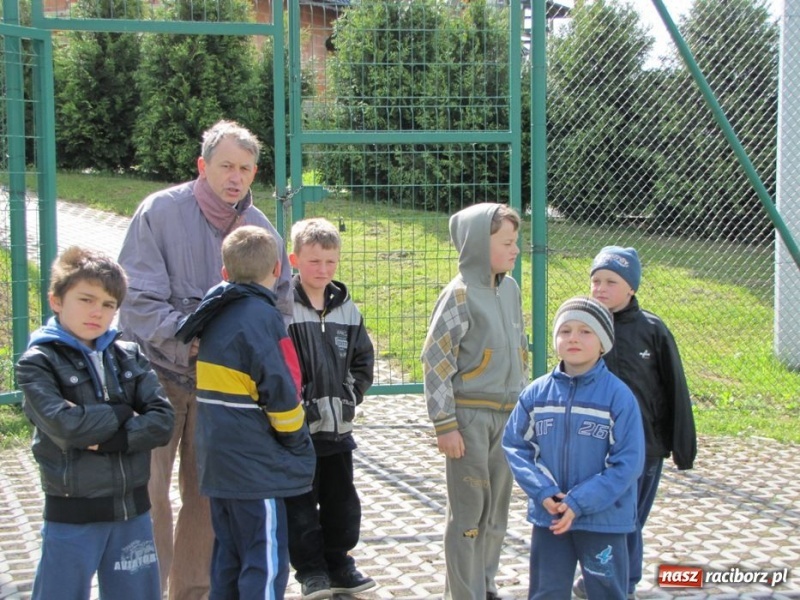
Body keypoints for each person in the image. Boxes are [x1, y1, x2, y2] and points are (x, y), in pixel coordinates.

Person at [117, 119, 293, 600]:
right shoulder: (159, 212)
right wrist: (195, 341)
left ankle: (192, 593)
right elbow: (137, 300)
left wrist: (241, 354)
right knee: (148, 495)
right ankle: (143, 590)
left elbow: (281, 302)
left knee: (206, 499)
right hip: (154, 377)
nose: (236, 177)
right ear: (202, 165)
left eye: (246, 168)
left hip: (223, 389)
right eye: (226, 166)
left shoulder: (261, 230)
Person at [14, 246, 175, 600]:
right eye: (86, 299)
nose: (97, 312)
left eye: (108, 305)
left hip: (132, 511)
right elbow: (65, 426)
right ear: (56, 300)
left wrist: (103, 436)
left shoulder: (129, 354)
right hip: (72, 514)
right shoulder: (37, 363)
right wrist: (122, 413)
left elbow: (162, 422)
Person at [175, 225, 316, 599]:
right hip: (258, 469)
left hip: (220, 466)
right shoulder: (263, 317)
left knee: (228, 558)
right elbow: (281, 390)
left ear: (225, 273)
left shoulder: (214, 313)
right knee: (265, 561)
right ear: (277, 269)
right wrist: (297, 441)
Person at [573, 246, 697, 599]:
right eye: (595, 280)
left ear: (631, 287)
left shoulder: (652, 331)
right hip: (592, 447)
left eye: (610, 281)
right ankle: (597, 578)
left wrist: (682, 449)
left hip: (644, 449)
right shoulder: (582, 327)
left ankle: (623, 585)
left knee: (629, 522)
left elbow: (676, 391)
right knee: (595, 518)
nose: (600, 288)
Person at [503, 296, 645, 600]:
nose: (573, 338)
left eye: (585, 331)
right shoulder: (536, 395)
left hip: (603, 522)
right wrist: (545, 494)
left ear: (603, 342)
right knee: (546, 593)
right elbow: (517, 447)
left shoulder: (618, 398)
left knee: (607, 593)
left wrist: (580, 501)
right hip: (551, 519)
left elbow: (628, 463)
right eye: (565, 330)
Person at [420, 203, 529, 600]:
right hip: (469, 422)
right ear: (479, 246)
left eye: (515, 241)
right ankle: (463, 593)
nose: (516, 249)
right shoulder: (459, 295)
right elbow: (435, 360)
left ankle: (485, 583)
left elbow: (520, 351)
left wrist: (526, 410)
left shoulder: (511, 289)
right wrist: (444, 423)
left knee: (496, 512)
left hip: (508, 419)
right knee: (468, 514)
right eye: (507, 242)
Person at [283, 218, 376, 600]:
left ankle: (339, 562)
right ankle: (310, 571)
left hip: (338, 430)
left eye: (330, 262)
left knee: (342, 502)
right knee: (301, 504)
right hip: (297, 432)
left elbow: (363, 360)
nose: (322, 270)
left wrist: (349, 395)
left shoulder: (346, 307)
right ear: (294, 260)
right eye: (314, 262)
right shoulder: (283, 307)